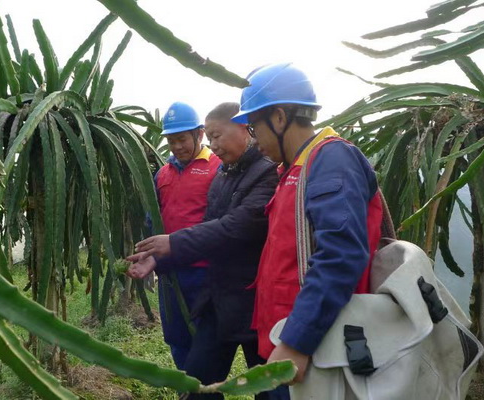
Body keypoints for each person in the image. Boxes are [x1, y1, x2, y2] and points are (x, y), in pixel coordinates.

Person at [230, 63, 384, 398]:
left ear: (280, 118)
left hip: (315, 348)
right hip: (283, 341)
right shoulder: (292, 169)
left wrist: (298, 342)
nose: (254, 143)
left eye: (254, 128)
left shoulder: (331, 159)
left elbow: (340, 256)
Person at [128, 102, 278, 399]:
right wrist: (157, 258)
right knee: (195, 384)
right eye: (210, 137)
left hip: (255, 299)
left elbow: (236, 225)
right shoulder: (224, 174)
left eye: (217, 135)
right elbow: (211, 223)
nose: (214, 144)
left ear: (244, 128)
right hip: (218, 295)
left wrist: (173, 242)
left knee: (268, 385)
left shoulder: (268, 172)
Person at [153, 101, 222, 370]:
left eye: (182, 139)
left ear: (199, 134)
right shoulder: (161, 174)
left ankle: (207, 392)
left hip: (204, 272)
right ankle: (186, 388)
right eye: (171, 140)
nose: (177, 147)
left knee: (205, 342)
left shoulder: (218, 167)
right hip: (170, 273)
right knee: (177, 337)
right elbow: (153, 217)